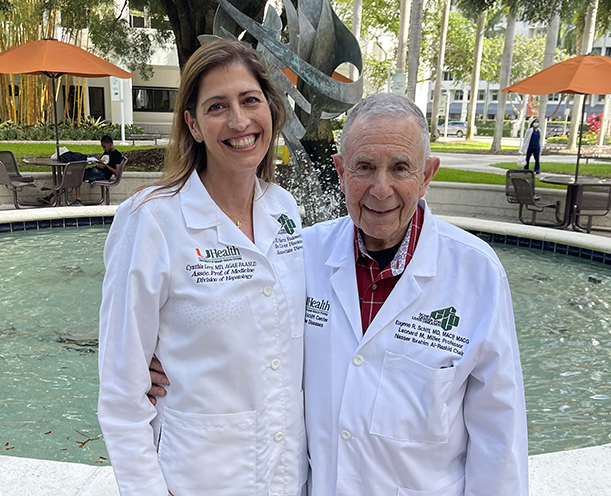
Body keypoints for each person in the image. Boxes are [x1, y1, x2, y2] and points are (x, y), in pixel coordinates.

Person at [150, 93, 529, 495]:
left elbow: (499, 435)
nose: (380, 190)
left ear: (427, 175)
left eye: (400, 168)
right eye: (364, 167)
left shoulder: (476, 273)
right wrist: (164, 360)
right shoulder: (300, 254)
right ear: (341, 171)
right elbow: (235, 324)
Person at [98, 39, 307, 496]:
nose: (239, 121)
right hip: (195, 478)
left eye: (250, 100)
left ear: (270, 109)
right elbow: (121, 388)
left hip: (285, 474)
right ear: (192, 124)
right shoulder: (151, 219)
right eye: (217, 107)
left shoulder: (284, 209)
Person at [38, 135, 122, 205]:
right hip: (96, 170)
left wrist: (105, 165)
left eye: (104, 146)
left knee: (76, 175)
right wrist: (98, 163)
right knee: (72, 175)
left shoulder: (116, 155)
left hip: (102, 174)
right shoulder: (107, 152)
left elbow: (117, 172)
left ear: (110, 144)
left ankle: (75, 199)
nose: (103, 149)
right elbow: (103, 162)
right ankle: (51, 197)